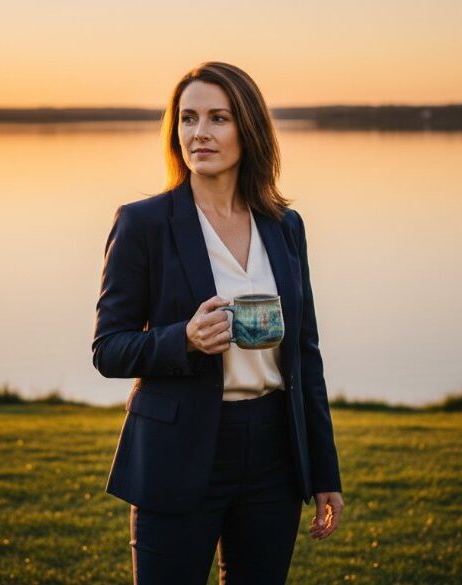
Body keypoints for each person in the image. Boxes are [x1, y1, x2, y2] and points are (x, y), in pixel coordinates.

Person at [92, 61, 344, 585]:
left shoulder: (284, 225)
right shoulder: (143, 224)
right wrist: (180, 339)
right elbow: (108, 350)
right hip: (178, 450)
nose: (199, 133)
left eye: (217, 118)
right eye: (187, 119)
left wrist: (323, 471)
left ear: (247, 129)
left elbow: (305, 355)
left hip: (275, 451)